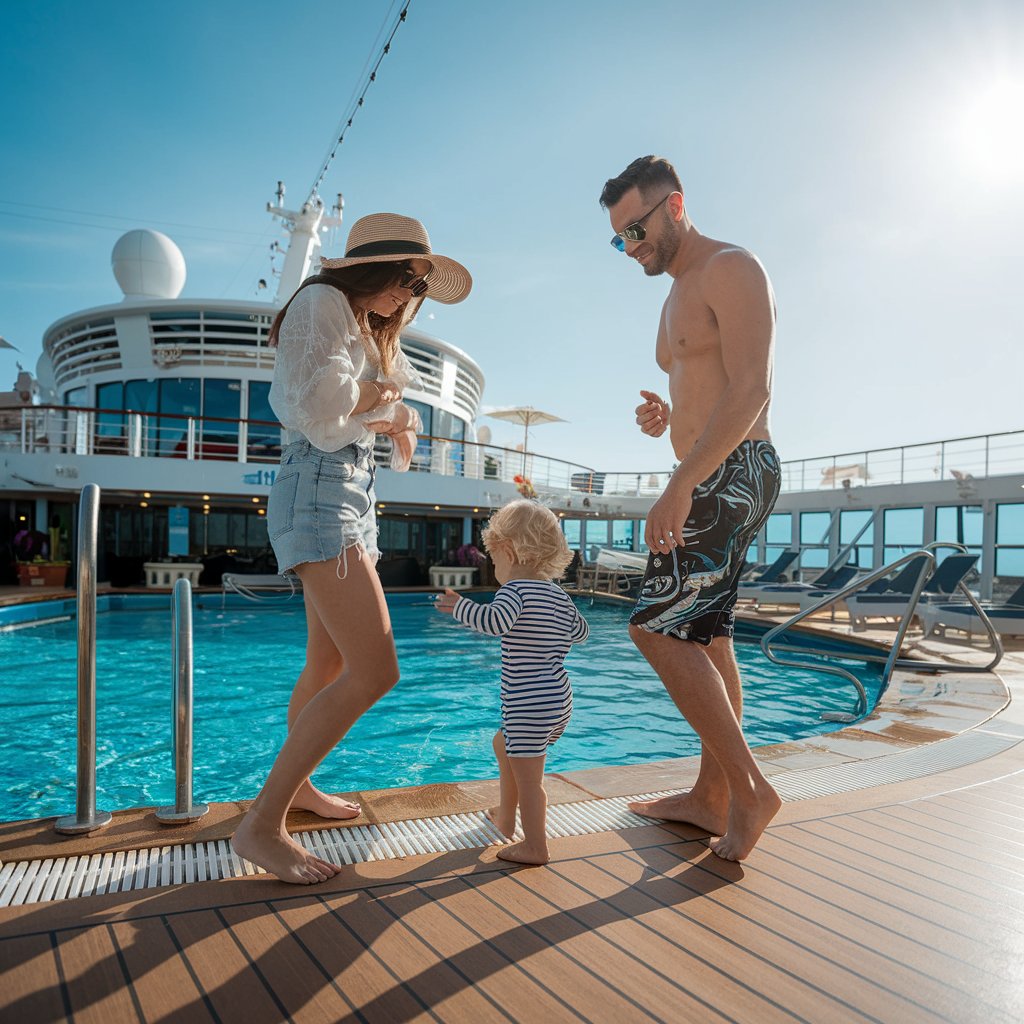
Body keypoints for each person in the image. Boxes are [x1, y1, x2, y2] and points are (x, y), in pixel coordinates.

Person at [231, 213, 472, 883]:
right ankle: (261, 823)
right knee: (376, 669)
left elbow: (357, 409)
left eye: (420, 283)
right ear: (373, 267)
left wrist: (396, 413)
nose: (411, 293)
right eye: (407, 277)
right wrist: (390, 403)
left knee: (329, 662)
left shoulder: (358, 323)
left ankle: (297, 788)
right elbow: (318, 406)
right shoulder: (322, 301)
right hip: (320, 487)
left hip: (350, 492)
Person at [600, 155, 782, 861]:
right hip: (710, 467)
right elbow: (699, 389)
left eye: (636, 228)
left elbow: (751, 390)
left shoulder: (733, 267)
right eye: (619, 239)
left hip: (730, 470)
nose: (631, 247)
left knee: (656, 631)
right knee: (708, 637)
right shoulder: (672, 297)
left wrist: (682, 481)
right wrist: (662, 416)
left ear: (675, 206)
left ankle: (750, 789)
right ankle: (710, 798)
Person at [435, 500, 589, 865]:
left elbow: (495, 622)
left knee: (530, 779)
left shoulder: (514, 591)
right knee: (503, 744)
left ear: (508, 550)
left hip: (528, 705)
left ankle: (535, 845)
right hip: (559, 699)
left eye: (494, 559)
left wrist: (461, 608)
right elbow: (581, 632)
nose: (494, 566)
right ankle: (505, 818)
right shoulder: (558, 595)